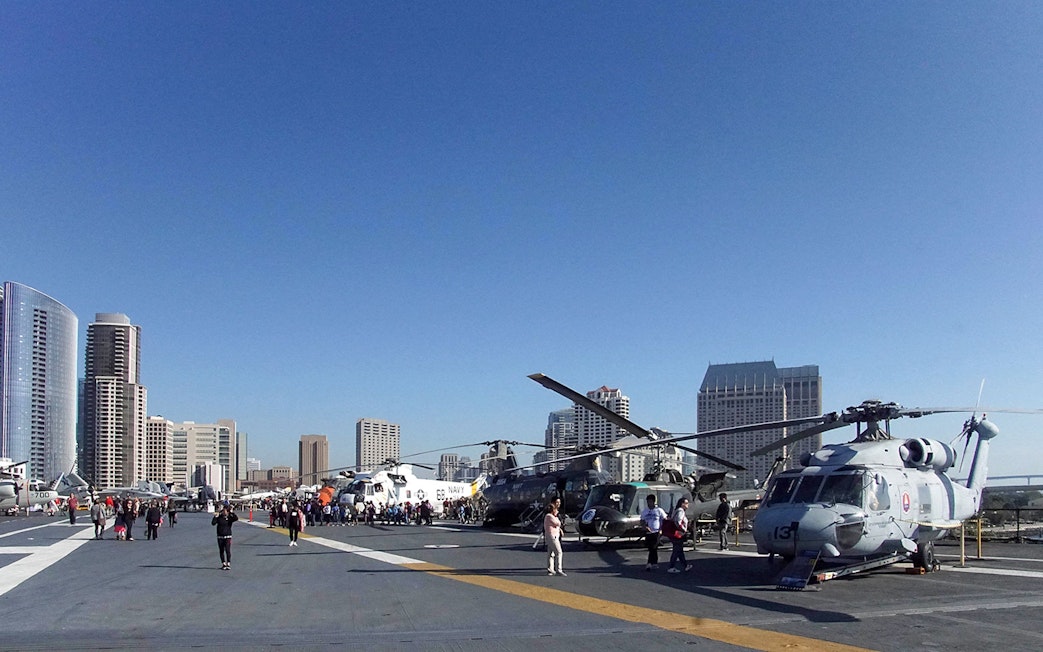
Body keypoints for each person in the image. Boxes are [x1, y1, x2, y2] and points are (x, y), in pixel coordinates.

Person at [639, 494, 667, 570]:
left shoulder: (659, 510)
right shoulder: (645, 511)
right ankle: (654, 563)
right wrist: (645, 527)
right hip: (648, 532)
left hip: (657, 531)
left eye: (650, 501)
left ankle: (649, 563)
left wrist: (662, 529)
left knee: (653, 547)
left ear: (654, 502)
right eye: (648, 501)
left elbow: (664, 519)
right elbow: (642, 520)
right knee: (652, 548)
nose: (649, 503)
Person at [668, 497, 692, 573]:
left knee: (679, 550)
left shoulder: (676, 510)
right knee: (676, 550)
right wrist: (683, 529)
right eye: (686, 503)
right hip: (678, 533)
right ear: (682, 504)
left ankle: (685, 565)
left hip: (675, 532)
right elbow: (678, 521)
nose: (688, 505)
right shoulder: (681, 511)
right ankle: (671, 566)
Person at [212, 502, 239, 570]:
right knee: (221, 550)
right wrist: (215, 516)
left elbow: (236, 518)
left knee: (227, 550)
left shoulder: (229, 518)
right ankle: (223, 563)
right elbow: (213, 523)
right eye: (223, 511)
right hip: (220, 536)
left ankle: (228, 563)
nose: (224, 512)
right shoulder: (219, 518)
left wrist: (232, 513)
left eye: (225, 511)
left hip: (227, 536)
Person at [543, 496, 565, 576]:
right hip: (553, 536)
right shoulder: (550, 516)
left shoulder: (550, 516)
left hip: (553, 535)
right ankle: (559, 569)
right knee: (559, 552)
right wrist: (556, 516)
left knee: (551, 553)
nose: (558, 505)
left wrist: (560, 530)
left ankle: (550, 569)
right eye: (557, 503)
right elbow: (558, 523)